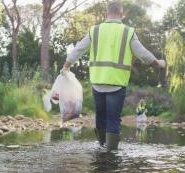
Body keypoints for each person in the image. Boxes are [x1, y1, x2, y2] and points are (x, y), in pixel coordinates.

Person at [62, 1, 165, 151]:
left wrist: (67, 65)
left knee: (100, 116)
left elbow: (78, 49)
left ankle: (101, 149)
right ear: (122, 15)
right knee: (113, 119)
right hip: (116, 84)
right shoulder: (128, 32)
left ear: (106, 14)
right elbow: (143, 54)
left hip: (97, 82)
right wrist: (158, 63)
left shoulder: (95, 30)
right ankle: (110, 155)